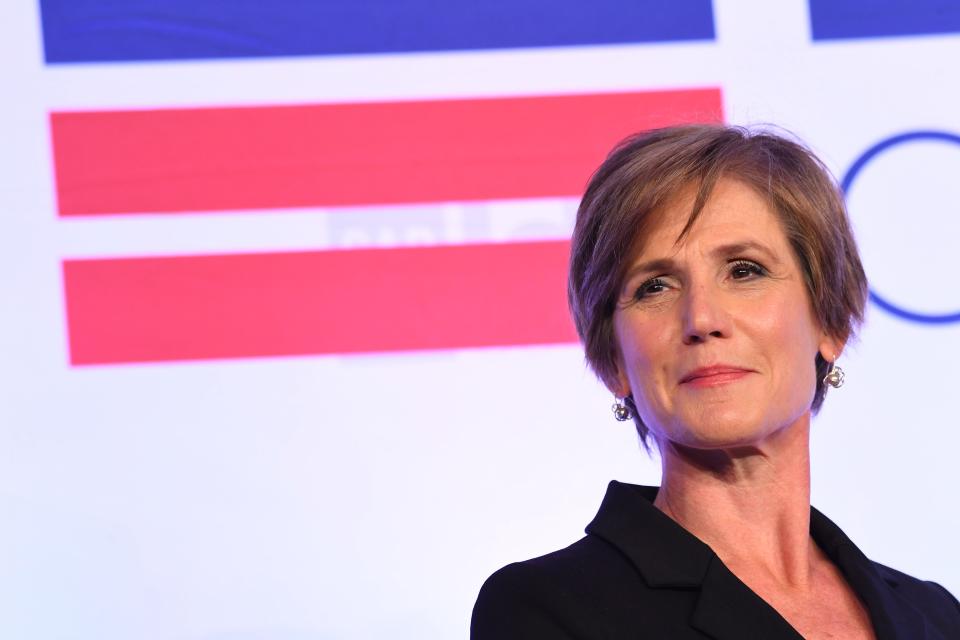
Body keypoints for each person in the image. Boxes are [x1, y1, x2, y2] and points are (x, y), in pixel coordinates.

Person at [471, 124, 960, 639]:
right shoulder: (548, 609)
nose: (701, 318)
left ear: (829, 321)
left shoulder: (936, 616)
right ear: (614, 359)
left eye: (744, 270)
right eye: (654, 286)